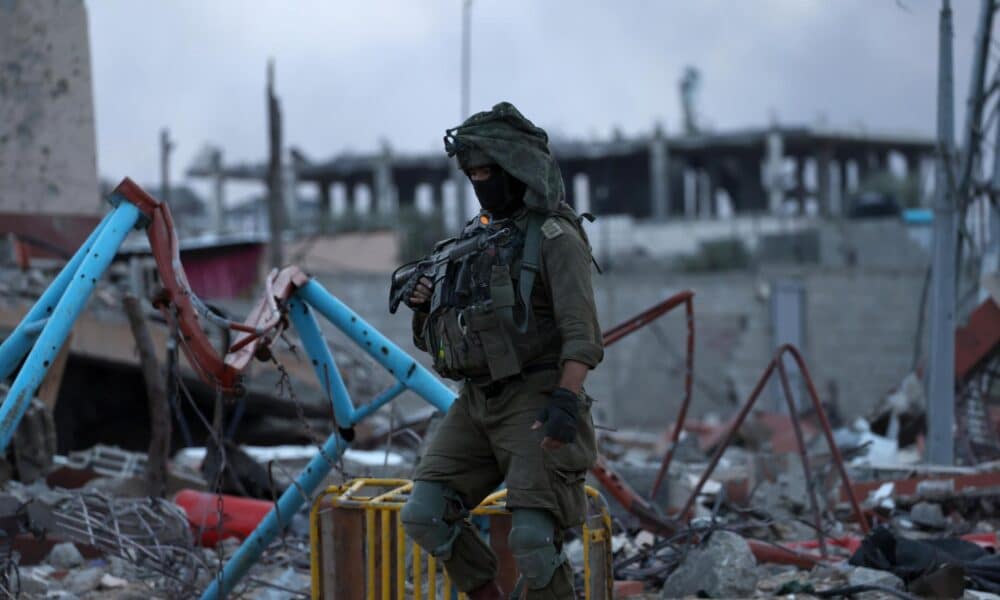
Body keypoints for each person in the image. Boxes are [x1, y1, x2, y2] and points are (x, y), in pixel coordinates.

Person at [397, 102, 603, 600]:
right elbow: (443, 336)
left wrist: (565, 401)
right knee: (424, 512)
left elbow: (583, 334)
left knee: (533, 539)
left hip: (535, 395)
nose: (480, 182)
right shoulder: (478, 237)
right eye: (472, 174)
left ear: (516, 170)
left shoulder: (556, 237)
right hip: (475, 401)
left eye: (488, 172)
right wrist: (424, 305)